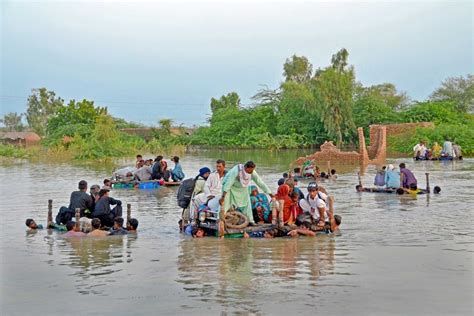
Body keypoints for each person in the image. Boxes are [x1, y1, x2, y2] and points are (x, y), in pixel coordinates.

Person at [219, 161, 273, 226]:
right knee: (225, 203)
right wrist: (223, 197)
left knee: (247, 203)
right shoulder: (236, 170)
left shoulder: (252, 172)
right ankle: (220, 220)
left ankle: (250, 221)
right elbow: (228, 183)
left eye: (253, 170)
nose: (252, 172)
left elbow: (260, 182)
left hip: (242, 188)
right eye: (250, 170)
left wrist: (270, 194)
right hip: (230, 188)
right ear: (246, 168)